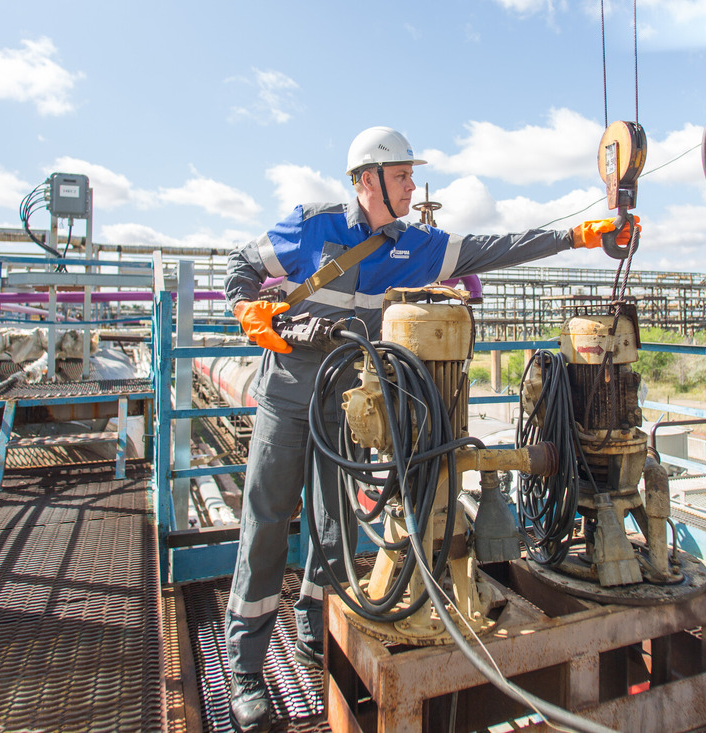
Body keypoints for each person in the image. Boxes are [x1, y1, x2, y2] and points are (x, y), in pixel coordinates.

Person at [222, 125, 638, 732]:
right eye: (402, 176)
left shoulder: (413, 245)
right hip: (289, 394)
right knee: (265, 519)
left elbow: (494, 246)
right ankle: (245, 670)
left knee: (334, 522)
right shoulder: (312, 227)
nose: (412, 185)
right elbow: (239, 266)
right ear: (367, 181)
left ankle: (315, 630)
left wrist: (576, 235)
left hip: (348, 399)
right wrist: (246, 308)